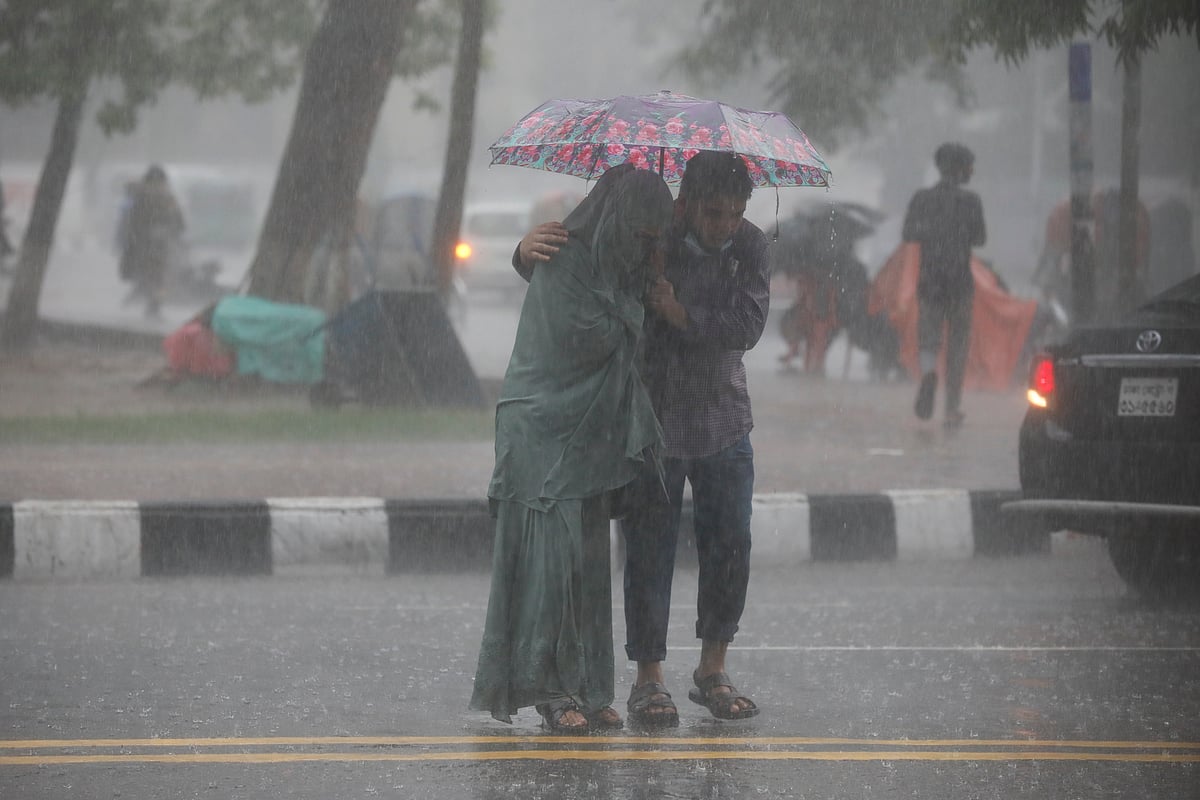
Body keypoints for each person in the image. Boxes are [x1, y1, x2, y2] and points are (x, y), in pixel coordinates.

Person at [515, 151, 768, 726]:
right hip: (650, 421)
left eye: (734, 213)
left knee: (729, 544)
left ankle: (712, 669)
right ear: (685, 204)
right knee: (649, 548)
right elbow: (584, 273)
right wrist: (523, 254)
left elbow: (747, 327)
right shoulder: (654, 234)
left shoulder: (750, 247)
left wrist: (680, 312)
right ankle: (648, 678)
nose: (723, 224)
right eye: (712, 212)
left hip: (724, 419)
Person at [469, 167, 674, 733]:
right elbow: (588, 335)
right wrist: (639, 304)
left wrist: (646, 280)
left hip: (592, 434)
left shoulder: (625, 267)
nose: (643, 244)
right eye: (637, 232)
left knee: (587, 566)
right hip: (542, 428)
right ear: (613, 219)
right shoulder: (561, 253)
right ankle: (551, 691)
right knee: (550, 566)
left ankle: (589, 687)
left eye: (653, 236)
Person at [901, 142, 986, 429]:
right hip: (960, 285)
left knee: (929, 340)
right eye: (969, 168)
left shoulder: (922, 199)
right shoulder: (971, 202)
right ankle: (951, 408)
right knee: (957, 347)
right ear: (961, 169)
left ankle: (927, 373)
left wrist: (932, 232)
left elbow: (908, 233)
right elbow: (980, 239)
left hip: (930, 283)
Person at [118, 165, 185, 318]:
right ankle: (153, 305)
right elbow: (180, 224)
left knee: (147, 274)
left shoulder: (141, 196)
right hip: (160, 245)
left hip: (144, 243)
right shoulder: (168, 198)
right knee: (158, 276)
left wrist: (133, 239)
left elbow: (133, 221)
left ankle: (149, 303)